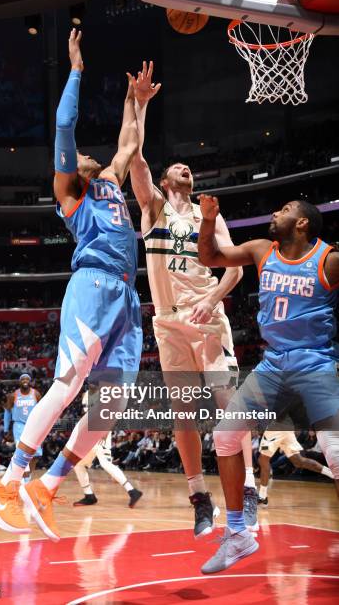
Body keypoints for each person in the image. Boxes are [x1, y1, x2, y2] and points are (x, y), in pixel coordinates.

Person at [0, 29, 142, 540]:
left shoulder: (112, 184)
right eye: (82, 160)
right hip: (93, 285)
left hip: (127, 296)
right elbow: (64, 125)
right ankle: (9, 481)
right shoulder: (72, 192)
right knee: (68, 385)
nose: (89, 158)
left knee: (111, 402)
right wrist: (76, 69)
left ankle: (47, 486)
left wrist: (134, 100)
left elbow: (129, 143)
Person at [129, 62, 258, 537]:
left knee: (230, 406)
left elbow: (236, 269)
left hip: (207, 318)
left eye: (190, 166)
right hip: (167, 322)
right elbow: (136, 159)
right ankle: (199, 497)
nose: (186, 166)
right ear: (165, 181)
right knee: (183, 413)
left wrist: (214, 297)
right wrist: (140, 105)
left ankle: (245, 495)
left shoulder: (209, 215)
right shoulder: (152, 209)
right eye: (177, 166)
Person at [198, 196, 339, 573]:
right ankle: (239, 534)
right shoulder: (263, 250)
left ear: (303, 223)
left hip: (315, 364)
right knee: (226, 435)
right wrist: (208, 220)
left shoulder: (329, 260)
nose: (276, 213)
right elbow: (210, 257)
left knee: (335, 452)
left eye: (286, 209)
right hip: (273, 364)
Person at [73, 390, 143, 508]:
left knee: (105, 463)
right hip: (90, 429)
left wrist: (106, 430)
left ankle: (132, 491)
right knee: (78, 464)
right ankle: (89, 495)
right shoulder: (86, 393)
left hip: (101, 429)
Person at [258, 420, 333, 505]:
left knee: (263, 459)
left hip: (276, 428)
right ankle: (332, 473)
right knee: (298, 461)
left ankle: (262, 495)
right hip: (286, 428)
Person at [3, 374, 42, 482]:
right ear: (19, 382)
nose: (25, 381)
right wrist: (6, 429)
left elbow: (43, 410)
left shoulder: (36, 394)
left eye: (27, 379)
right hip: (19, 425)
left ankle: (28, 477)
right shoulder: (13, 395)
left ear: (30, 381)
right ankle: (22, 478)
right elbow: (7, 412)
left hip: (33, 425)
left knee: (36, 454)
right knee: (22, 452)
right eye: (23, 379)